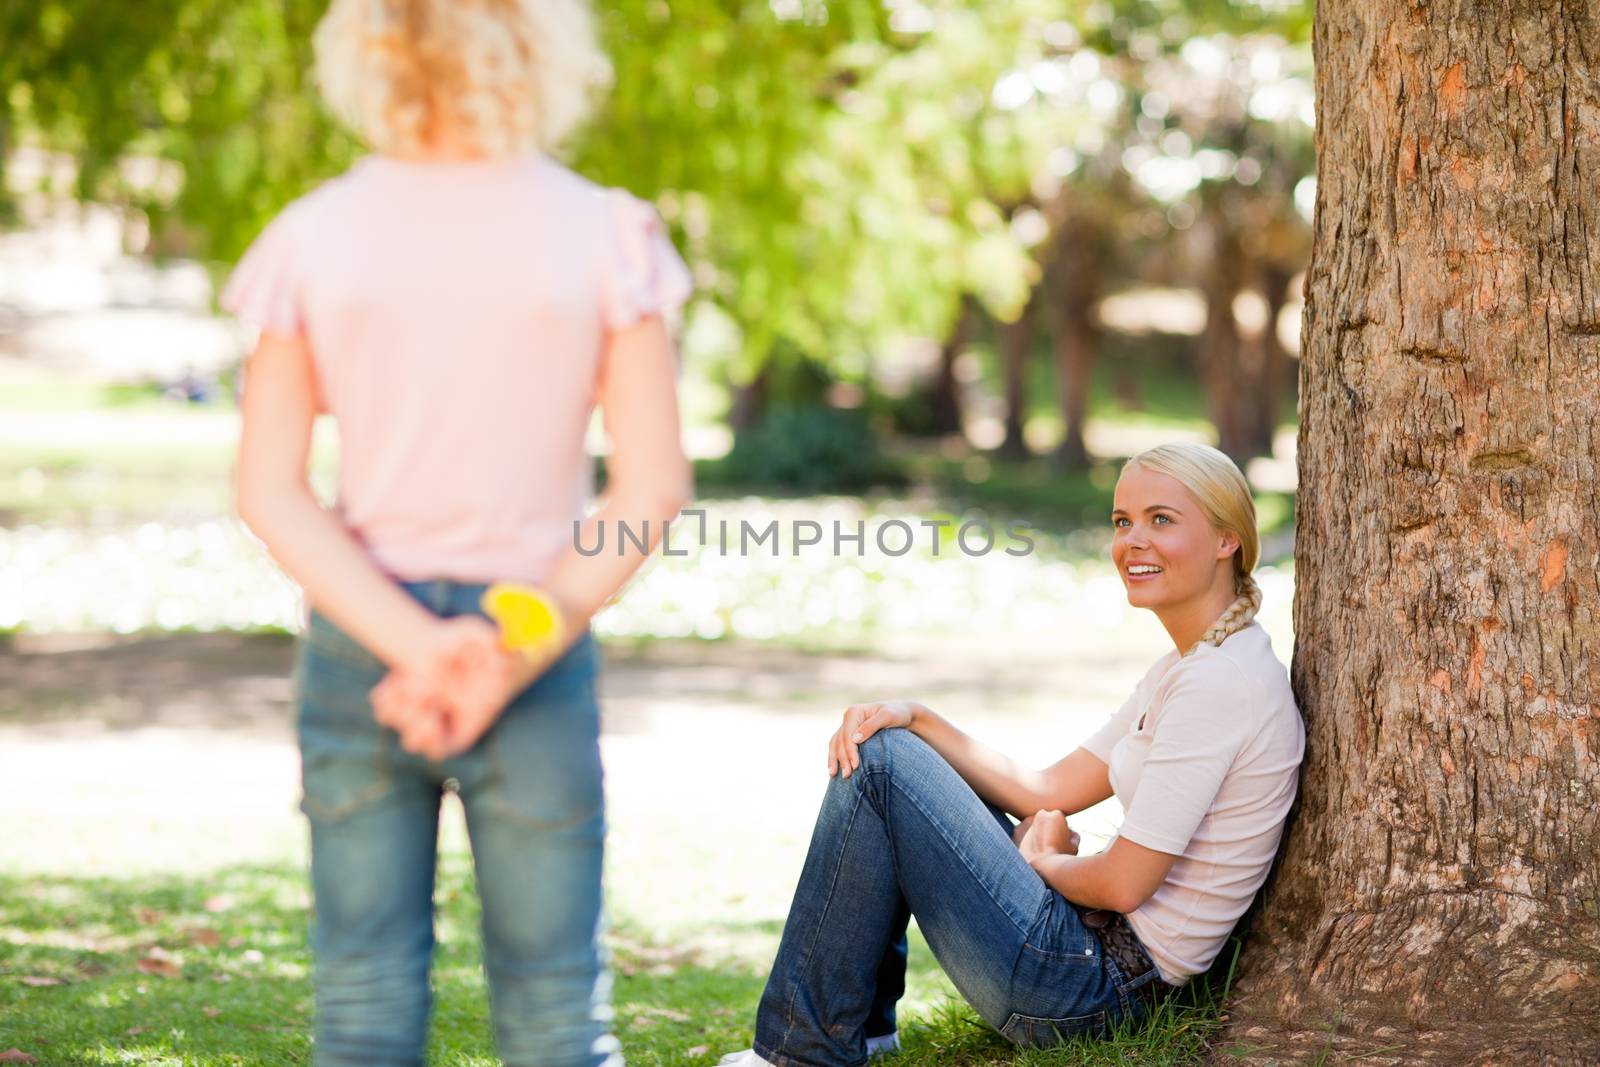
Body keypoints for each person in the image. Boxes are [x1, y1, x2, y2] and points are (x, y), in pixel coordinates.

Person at [225, 1, 691, 1064]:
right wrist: (500, 645)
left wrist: (416, 645)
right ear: (541, 40)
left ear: (366, 46)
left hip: (362, 650)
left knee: (361, 1004)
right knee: (555, 1011)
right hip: (534, 641)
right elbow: (648, 485)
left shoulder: (312, 235)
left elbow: (271, 488)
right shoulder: (605, 233)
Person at [718, 443, 1305, 1066]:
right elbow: (1047, 790)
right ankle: (858, 1028)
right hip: (1088, 959)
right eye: (1122, 521)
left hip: (1094, 991)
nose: (1133, 541)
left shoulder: (1219, 683)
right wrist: (917, 717)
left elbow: (1124, 884)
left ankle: (800, 1054)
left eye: (1161, 520)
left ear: (1226, 540)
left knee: (884, 765)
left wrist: (1042, 861)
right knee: (892, 749)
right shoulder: (1194, 666)